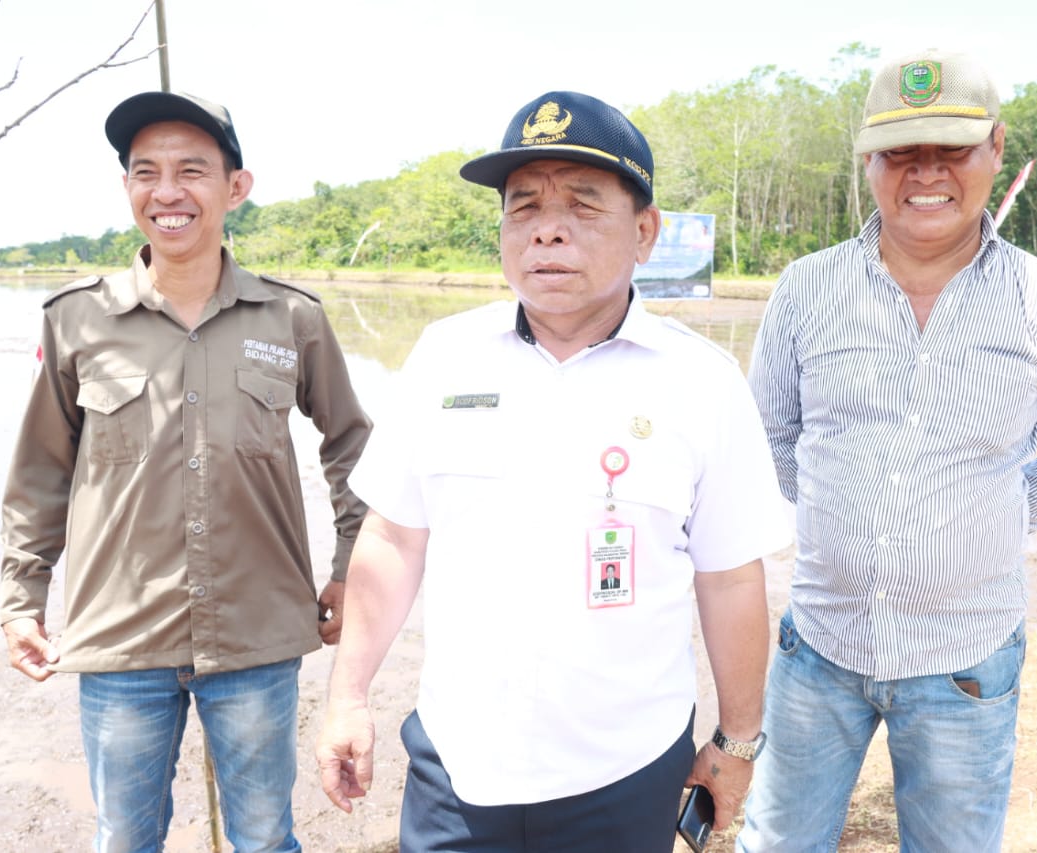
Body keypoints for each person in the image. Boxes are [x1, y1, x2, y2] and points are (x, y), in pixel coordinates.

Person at [315, 90, 793, 852]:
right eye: (524, 205)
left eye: (582, 202)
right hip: (456, 768)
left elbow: (732, 577)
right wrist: (346, 695)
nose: (548, 227)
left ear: (645, 231)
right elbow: (393, 538)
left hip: (626, 771)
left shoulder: (702, 382)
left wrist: (737, 743)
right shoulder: (444, 355)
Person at [737, 49, 1037, 852]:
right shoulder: (806, 289)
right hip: (818, 647)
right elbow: (769, 434)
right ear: (868, 161)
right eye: (901, 153)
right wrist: (848, 523)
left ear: (997, 150)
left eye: (951, 149)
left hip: (965, 663)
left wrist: (992, 523)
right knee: (774, 842)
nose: (925, 174)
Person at [0, 90, 371, 852]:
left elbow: (353, 446)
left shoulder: (291, 317)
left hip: (258, 640)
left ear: (236, 188)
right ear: (129, 188)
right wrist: (19, 594)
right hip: (121, 638)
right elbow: (41, 468)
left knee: (265, 838)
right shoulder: (75, 319)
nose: (167, 192)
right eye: (146, 172)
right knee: (124, 839)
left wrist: (350, 569)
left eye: (192, 171)